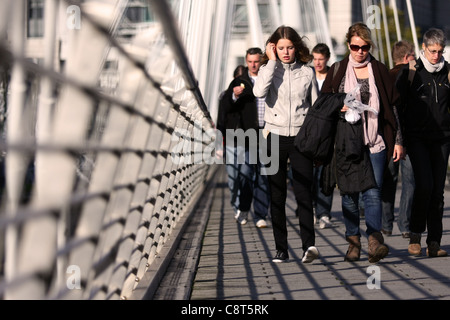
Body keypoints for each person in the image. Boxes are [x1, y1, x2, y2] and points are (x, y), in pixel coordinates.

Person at [321, 22, 404, 263]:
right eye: (356, 46)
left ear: (370, 46)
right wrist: (340, 104)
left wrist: (398, 141)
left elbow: (392, 107)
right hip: (347, 142)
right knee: (348, 193)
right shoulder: (337, 70)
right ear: (348, 45)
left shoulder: (378, 69)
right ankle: (352, 241)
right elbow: (324, 103)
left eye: (365, 47)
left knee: (373, 191)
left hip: (375, 140)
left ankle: (374, 241)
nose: (360, 51)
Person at [253, 26, 319, 263]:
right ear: (273, 49)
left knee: (303, 193)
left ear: (296, 47)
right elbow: (259, 92)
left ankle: (308, 246)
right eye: (280, 48)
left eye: (290, 47)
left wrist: (314, 137)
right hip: (273, 137)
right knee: (277, 195)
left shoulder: (308, 73)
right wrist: (270, 63)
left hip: (301, 138)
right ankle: (281, 249)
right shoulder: (267, 70)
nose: (286, 52)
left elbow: (316, 108)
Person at [397, 28, 450, 257]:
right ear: (424, 48)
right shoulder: (412, 72)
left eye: (440, 51)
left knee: (438, 191)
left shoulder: (448, 72)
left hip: (442, 139)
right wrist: (399, 140)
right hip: (417, 138)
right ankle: (416, 234)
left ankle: (434, 241)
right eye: (432, 51)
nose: (436, 56)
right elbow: (398, 106)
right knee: (424, 186)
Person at [219, 48, 270, 228]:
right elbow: (225, 105)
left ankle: (261, 215)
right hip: (247, 135)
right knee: (246, 173)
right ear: (247, 62)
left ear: (261, 62)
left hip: (267, 133)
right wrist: (234, 95)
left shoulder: (268, 78)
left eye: (256, 61)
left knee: (264, 175)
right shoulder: (240, 81)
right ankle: (244, 208)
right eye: (250, 62)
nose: (253, 65)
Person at [381, 40, 416, 239]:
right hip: (409, 135)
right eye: (413, 56)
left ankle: (386, 224)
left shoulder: (386, 76)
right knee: (409, 181)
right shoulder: (411, 76)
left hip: (389, 135)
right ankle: (405, 224)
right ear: (406, 57)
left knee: (389, 180)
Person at [312, 43, 333, 229]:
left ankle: (324, 212)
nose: (317, 63)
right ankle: (311, 206)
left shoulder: (333, 78)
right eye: (315, 59)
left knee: (325, 174)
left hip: (328, 132)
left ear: (327, 59)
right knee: (309, 173)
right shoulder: (307, 76)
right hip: (310, 133)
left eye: (321, 59)